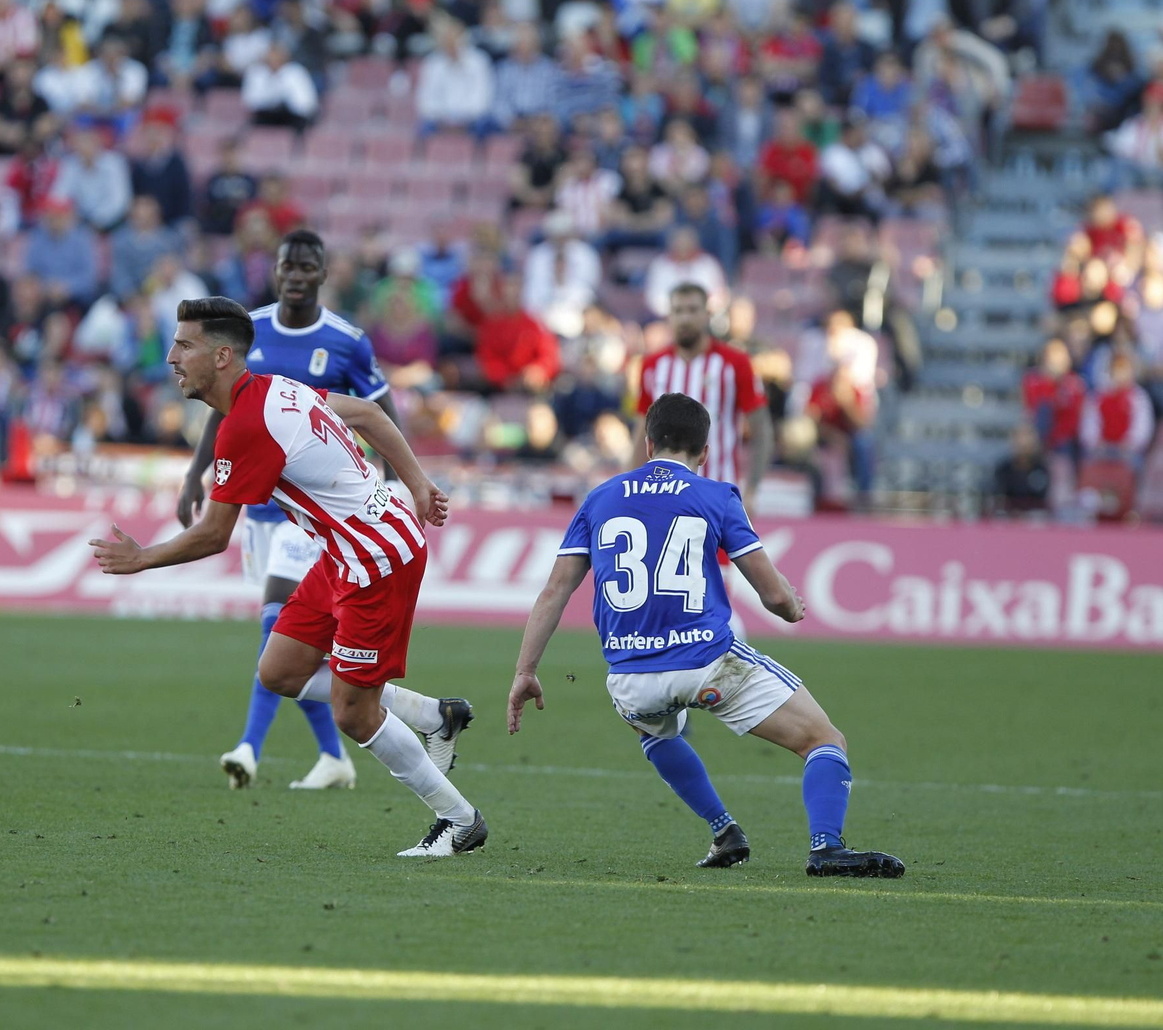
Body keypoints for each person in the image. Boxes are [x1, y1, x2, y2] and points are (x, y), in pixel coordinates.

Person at [94, 297, 486, 857]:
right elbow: (371, 416)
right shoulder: (272, 388)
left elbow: (213, 535)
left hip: (376, 561)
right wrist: (417, 484)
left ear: (222, 356)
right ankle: (434, 715)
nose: (173, 358)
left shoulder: (245, 427)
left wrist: (142, 559)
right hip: (346, 549)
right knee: (280, 670)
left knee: (354, 711)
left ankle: (459, 820)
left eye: (185, 346)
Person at [507, 392, 904, 878]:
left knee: (654, 731)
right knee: (825, 740)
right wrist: (793, 606)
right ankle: (826, 846)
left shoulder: (601, 498)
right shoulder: (717, 496)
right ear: (706, 450)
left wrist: (526, 670)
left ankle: (723, 829)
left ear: (648, 444)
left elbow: (554, 592)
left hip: (630, 677)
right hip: (708, 663)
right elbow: (774, 596)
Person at [174, 230, 421, 792]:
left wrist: (394, 484)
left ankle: (249, 747)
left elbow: (377, 408)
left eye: (308, 266)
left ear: (323, 273)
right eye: (288, 264)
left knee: (273, 620)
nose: (296, 274)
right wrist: (196, 473)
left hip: (318, 512)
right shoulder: (245, 330)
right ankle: (334, 754)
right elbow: (223, 408)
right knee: (288, 640)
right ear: (277, 269)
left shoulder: (346, 340)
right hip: (260, 507)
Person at [632, 282, 770, 506]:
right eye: (678, 311)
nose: (685, 319)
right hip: (664, 498)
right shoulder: (652, 366)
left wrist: (752, 490)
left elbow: (761, 430)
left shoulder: (735, 363)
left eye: (692, 310)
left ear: (707, 314)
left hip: (720, 495)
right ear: (669, 316)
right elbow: (641, 432)